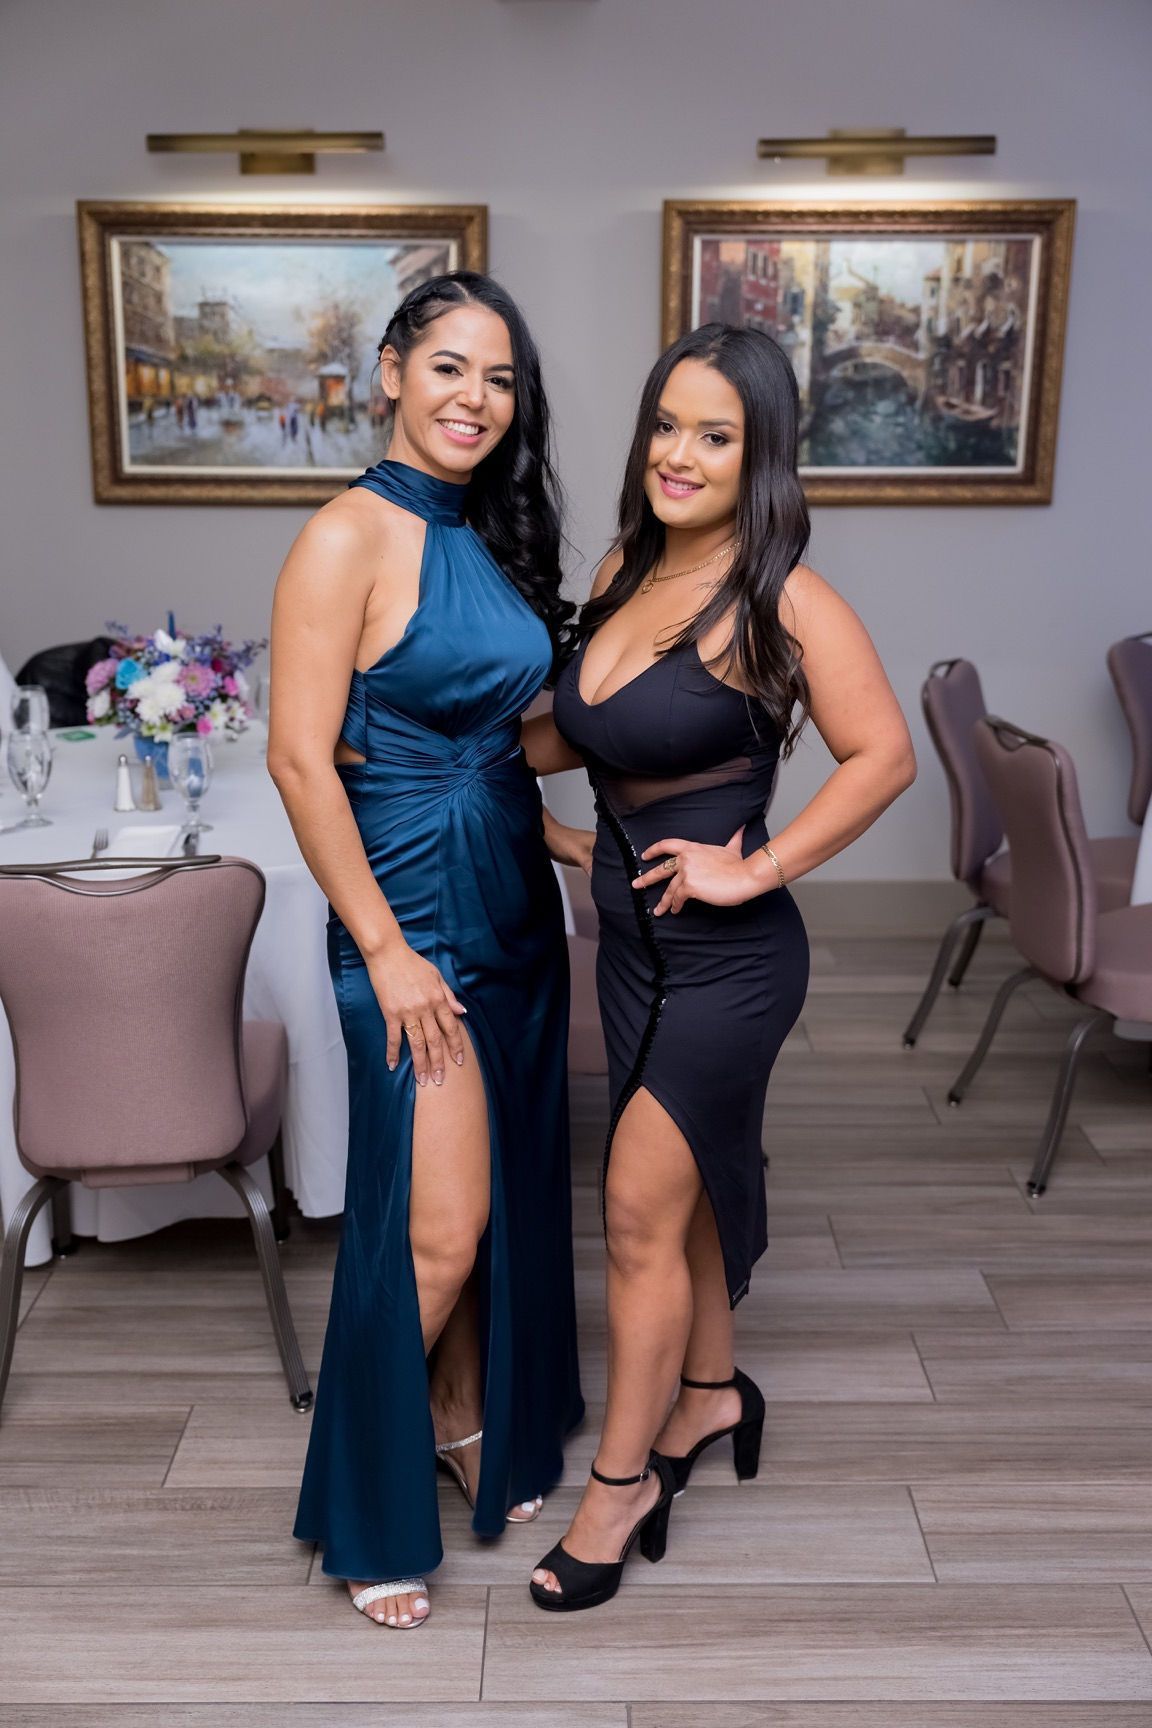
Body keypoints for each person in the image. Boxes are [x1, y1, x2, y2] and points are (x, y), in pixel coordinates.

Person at [521, 322, 916, 1612]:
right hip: (631, 948)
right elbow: (589, 734)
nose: (679, 455)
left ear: (761, 458)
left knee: (636, 1216)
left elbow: (884, 756)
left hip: (729, 967)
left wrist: (758, 867)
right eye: (666, 425)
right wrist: (502, 777)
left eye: (715, 435)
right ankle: (708, 1393)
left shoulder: (780, 596)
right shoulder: (627, 567)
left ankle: (618, 1489)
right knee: (676, 1200)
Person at [268, 272, 587, 1632]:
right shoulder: (345, 535)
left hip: (513, 904)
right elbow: (300, 760)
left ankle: (462, 1418)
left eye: (500, 379)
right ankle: (363, 1510)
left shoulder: (489, 533)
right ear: (391, 370)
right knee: (436, 1231)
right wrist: (387, 951)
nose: (476, 399)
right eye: (450, 366)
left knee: (496, 1204)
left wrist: (567, 833)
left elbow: (503, 734)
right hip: (412, 923)